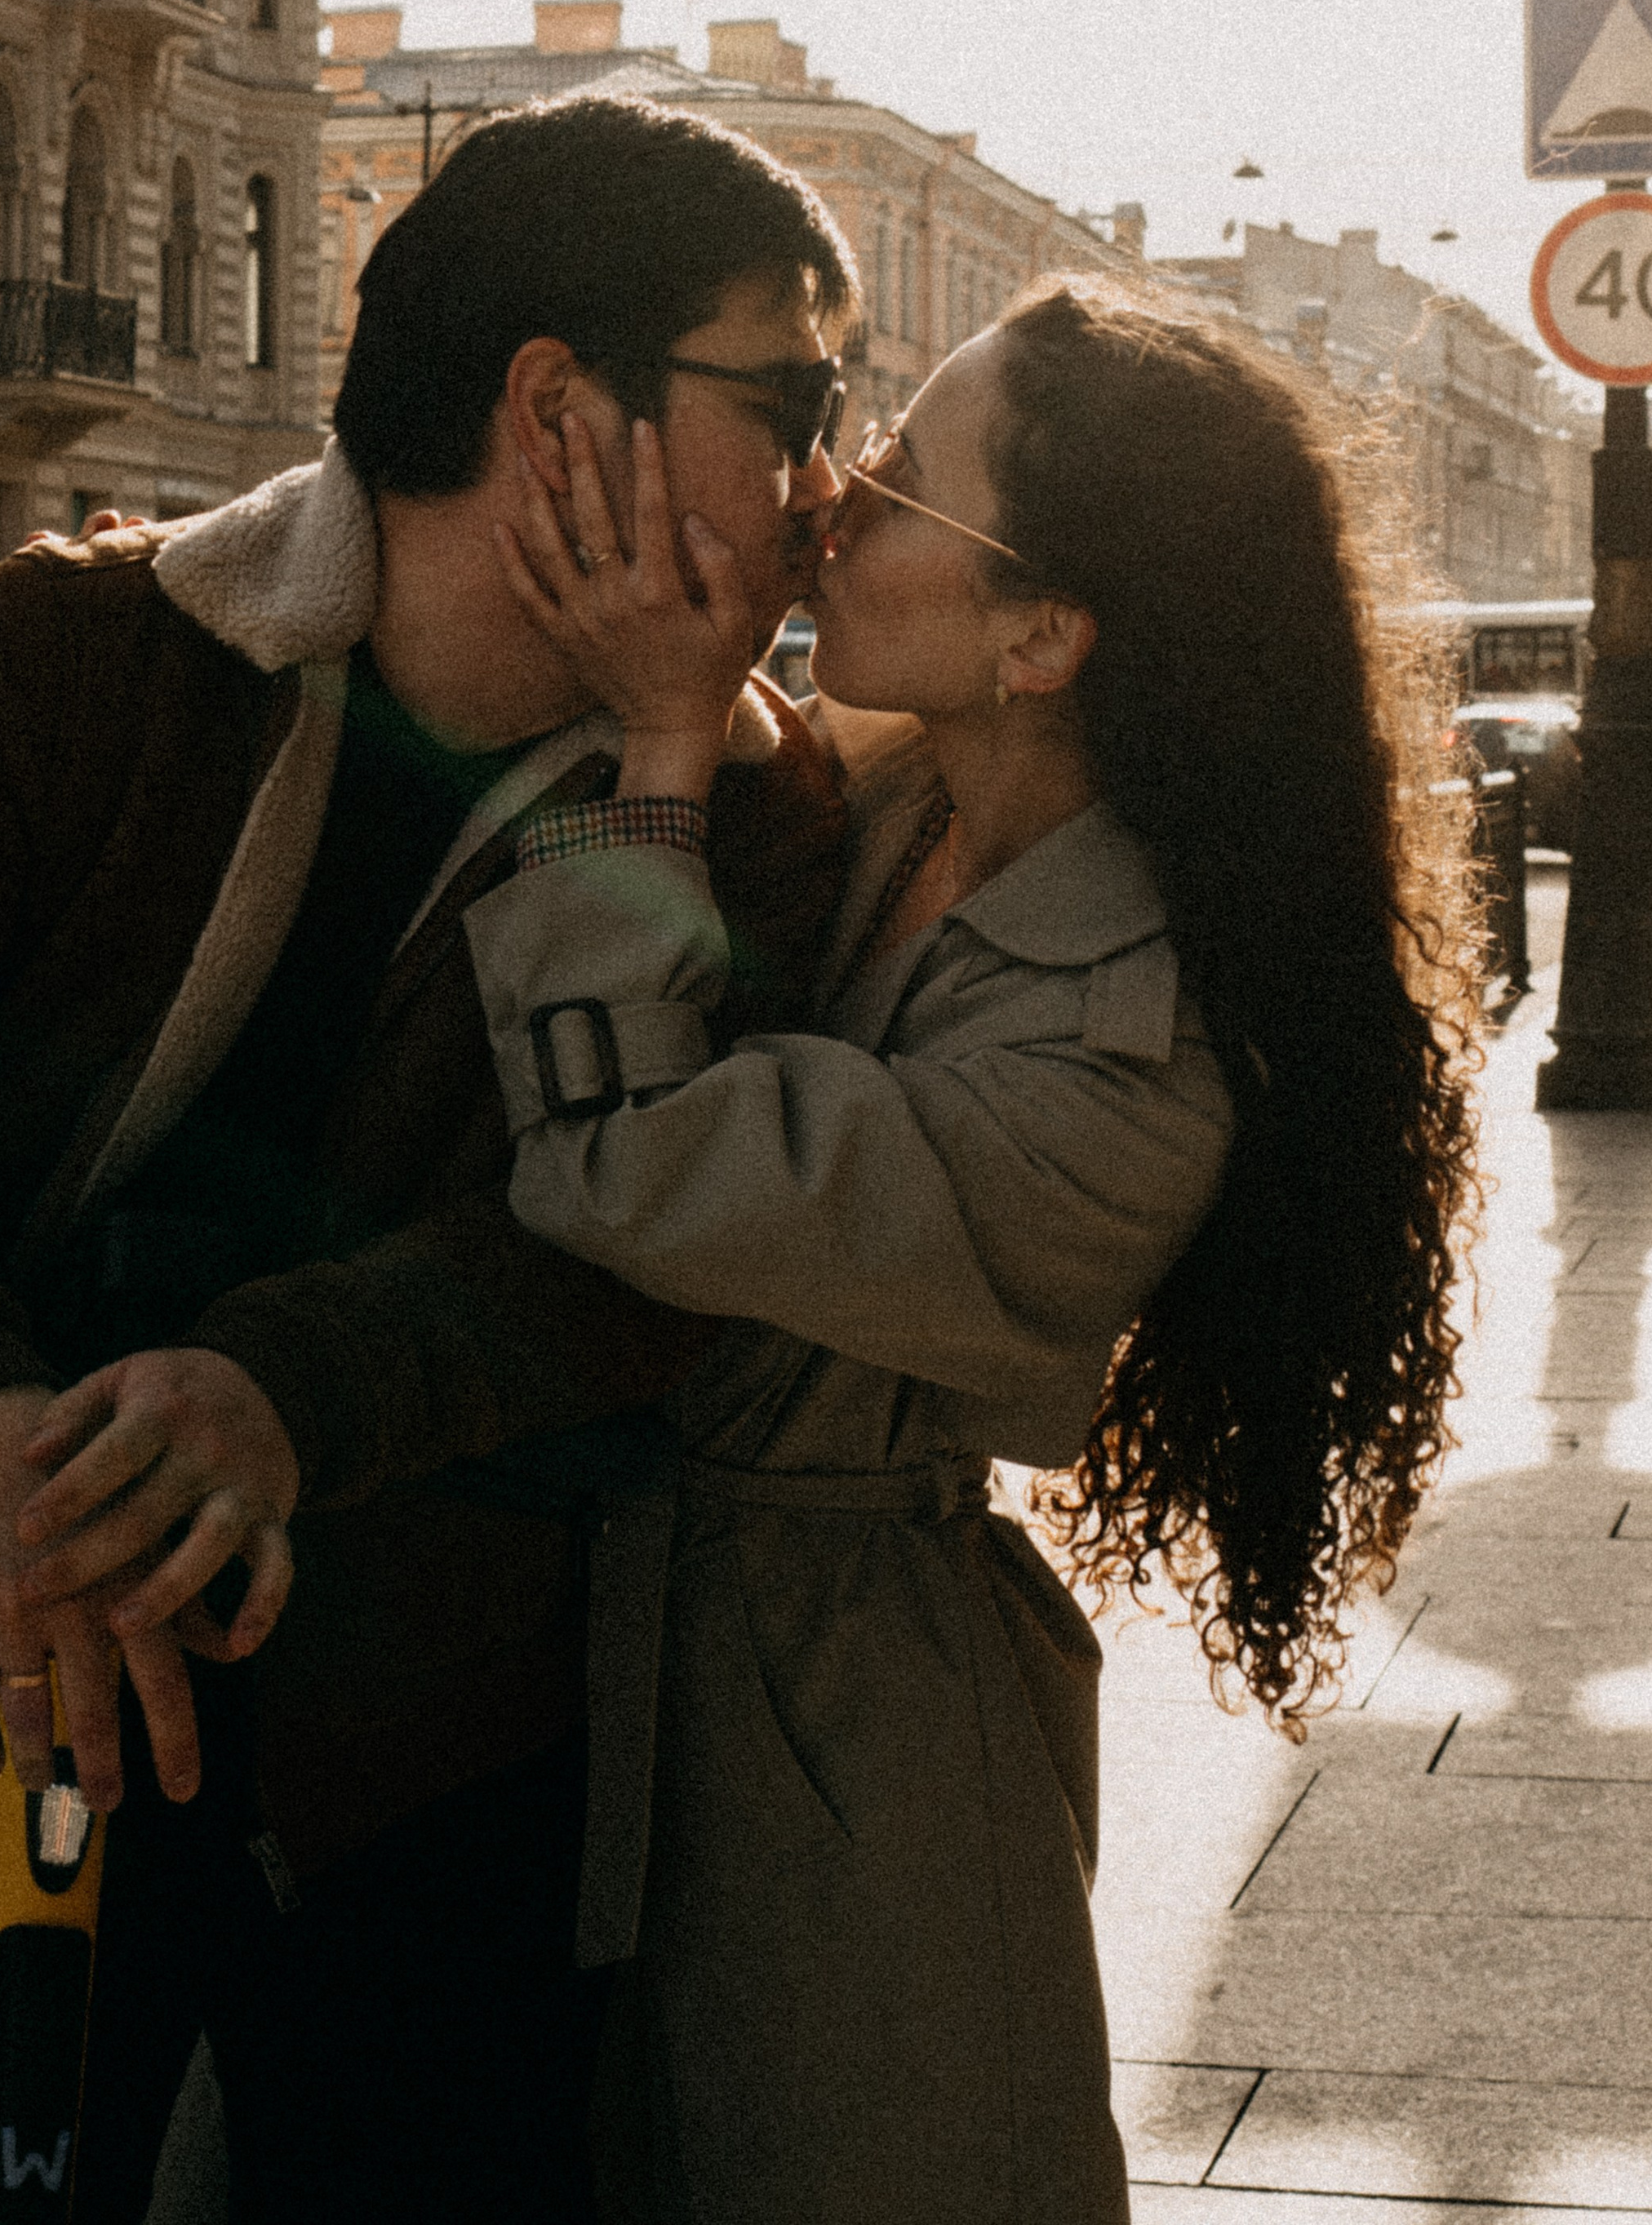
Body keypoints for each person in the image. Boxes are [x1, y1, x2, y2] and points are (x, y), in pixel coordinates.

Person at [0, 95, 858, 2225]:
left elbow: (639, 1253)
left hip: (436, 1788)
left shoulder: (746, 804)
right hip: (1, 1730)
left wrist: (283, 1393)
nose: (825, 486)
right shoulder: (94, 660)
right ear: (557, 410)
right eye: (791, 397)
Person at [460, 278, 1483, 2225]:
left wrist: (668, 744)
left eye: (906, 476)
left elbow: (629, 1163)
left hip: (845, 1757)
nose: (832, 493)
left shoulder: (1141, 1055)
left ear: (1039, 631)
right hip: (583, 1673)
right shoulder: (893, 785)